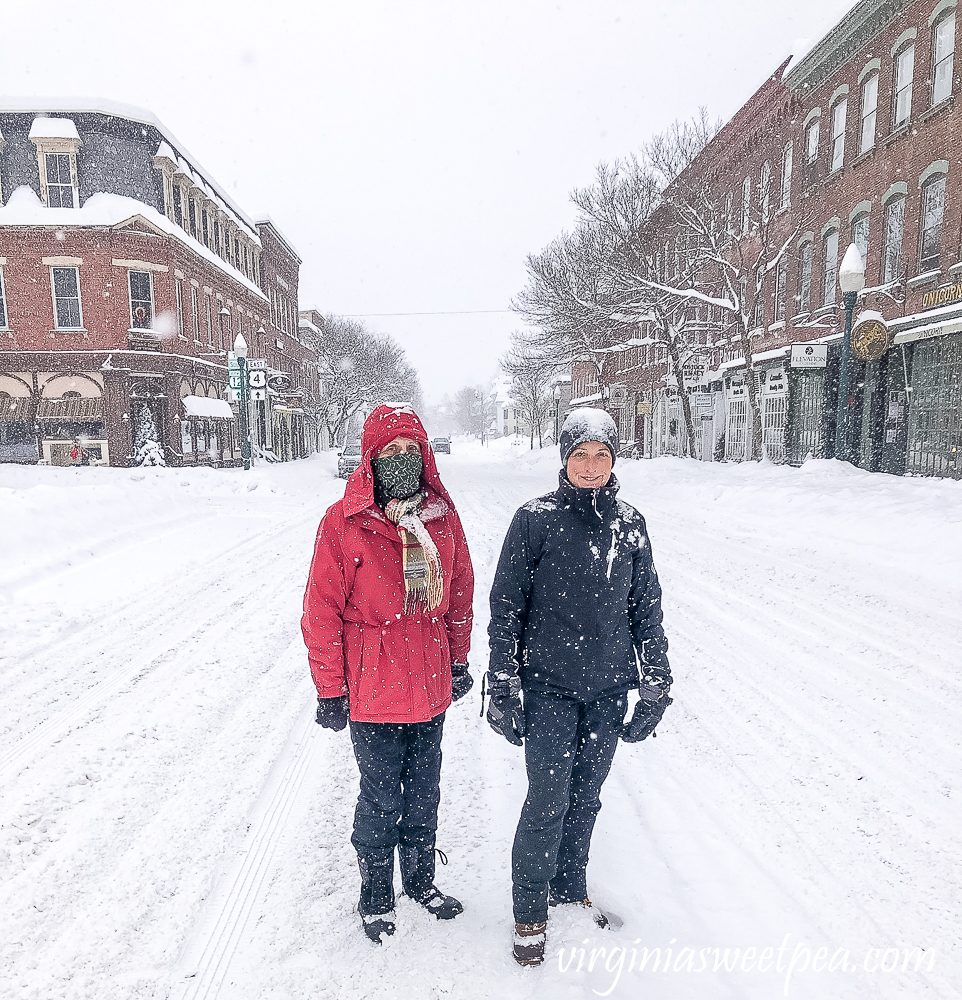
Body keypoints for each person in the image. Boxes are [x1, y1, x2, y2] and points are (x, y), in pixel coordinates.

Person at [485, 407, 672, 967]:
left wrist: (656, 683)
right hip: (549, 688)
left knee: (586, 799)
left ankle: (568, 889)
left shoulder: (630, 523)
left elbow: (647, 609)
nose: (591, 466)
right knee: (547, 801)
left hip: (610, 690)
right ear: (563, 460)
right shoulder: (535, 520)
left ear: (614, 460)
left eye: (601, 455)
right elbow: (506, 606)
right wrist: (502, 682)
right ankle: (529, 915)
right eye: (580, 455)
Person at [302, 403, 475, 944]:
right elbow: (321, 609)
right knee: (381, 795)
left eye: (411, 452)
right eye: (390, 453)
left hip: (428, 682)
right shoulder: (344, 522)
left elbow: (460, 594)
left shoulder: (442, 519)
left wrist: (459, 658)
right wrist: (331, 689)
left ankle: (420, 882)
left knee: (425, 791)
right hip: (372, 687)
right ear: (369, 460)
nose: (402, 461)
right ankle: (376, 892)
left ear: (424, 457)